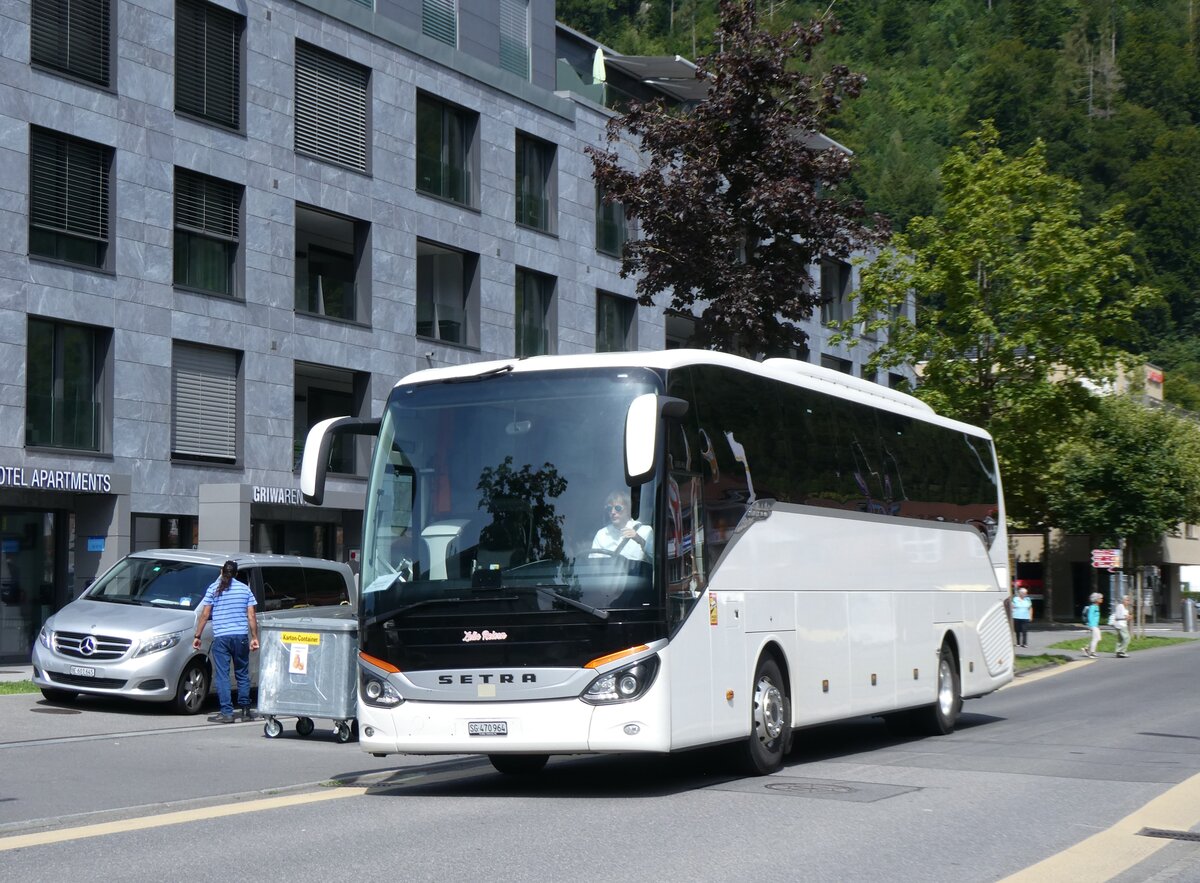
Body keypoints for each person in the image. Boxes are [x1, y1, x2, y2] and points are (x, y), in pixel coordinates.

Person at [193, 560, 260, 723]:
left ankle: (227, 713)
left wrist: (197, 636)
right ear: (236, 574)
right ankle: (245, 711)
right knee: (242, 673)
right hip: (241, 637)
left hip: (222, 638)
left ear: (221, 571)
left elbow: (205, 614)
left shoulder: (213, 589)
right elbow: (251, 615)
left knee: (222, 675)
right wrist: (254, 637)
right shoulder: (245, 589)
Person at [591, 491, 653, 562]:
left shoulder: (644, 531)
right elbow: (593, 564)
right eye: (609, 509)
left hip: (635, 569)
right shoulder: (601, 534)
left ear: (628, 509)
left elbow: (656, 560)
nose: (613, 512)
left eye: (617, 508)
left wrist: (640, 540)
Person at [1082, 592, 1103, 658]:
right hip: (1093, 625)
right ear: (1096, 599)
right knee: (1095, 639)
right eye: (1100, 598)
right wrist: (1090, 626)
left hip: (1095, 625)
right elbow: (1090, 617)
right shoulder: (1093, 607)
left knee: (1098, 638)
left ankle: (1086, 649)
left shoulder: (1097, 606)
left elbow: (1095, 618)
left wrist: (1097, 625)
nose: (1101, 599)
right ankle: (1092, 653)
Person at [1113, 593, 1131, 658]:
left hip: (1122, 625)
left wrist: (1128, 617)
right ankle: (1122, 652)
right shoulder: (1120, 606)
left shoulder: (1125, 609)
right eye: (1127, 600)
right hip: (1121, 625)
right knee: (1127, 638)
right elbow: (1118, 616)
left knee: (1120, 639)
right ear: (1123, 600)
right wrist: (1127, 617)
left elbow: (1126, 618)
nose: (1128, 601)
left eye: (1128, 600)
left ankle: (1118, 652)